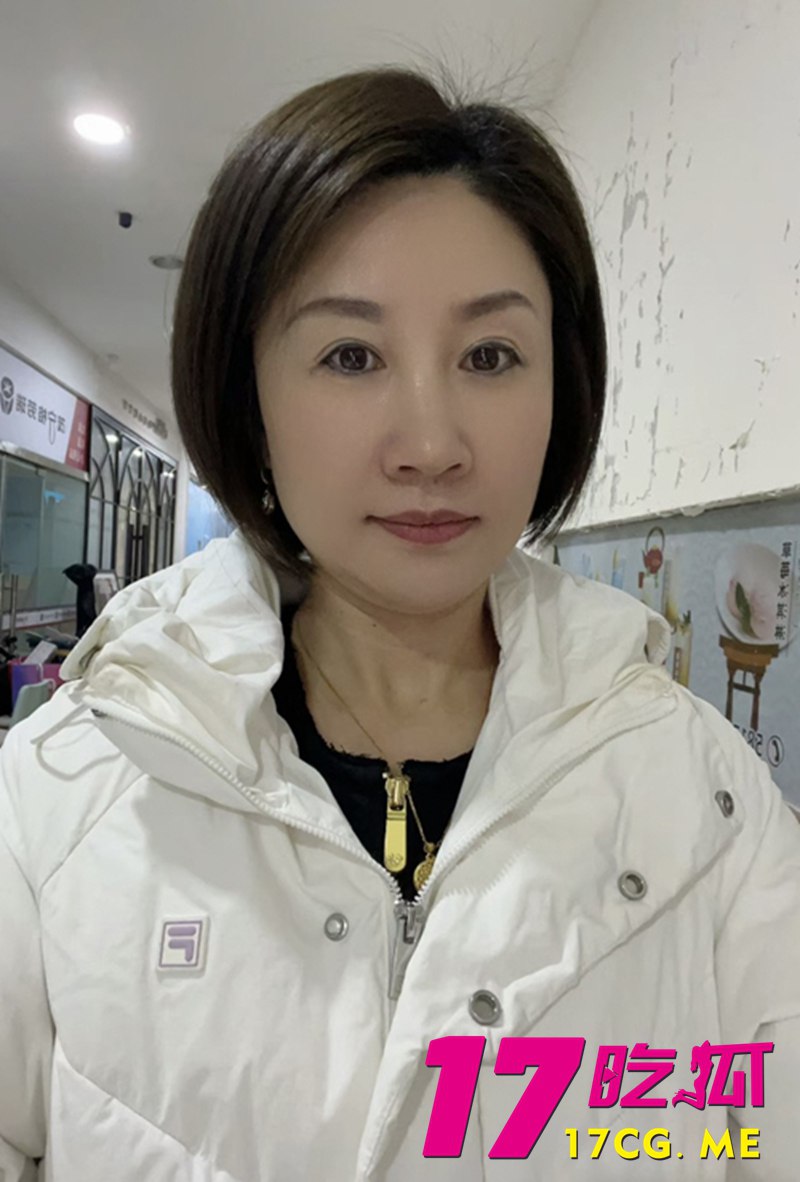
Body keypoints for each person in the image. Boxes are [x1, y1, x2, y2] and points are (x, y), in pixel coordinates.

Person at [1, 65, 799, 1182]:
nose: (430, 444)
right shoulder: (61, 799)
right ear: (248, 397)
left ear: (560, 386)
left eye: (489, 356)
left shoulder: (710, 811)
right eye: (351, 356)